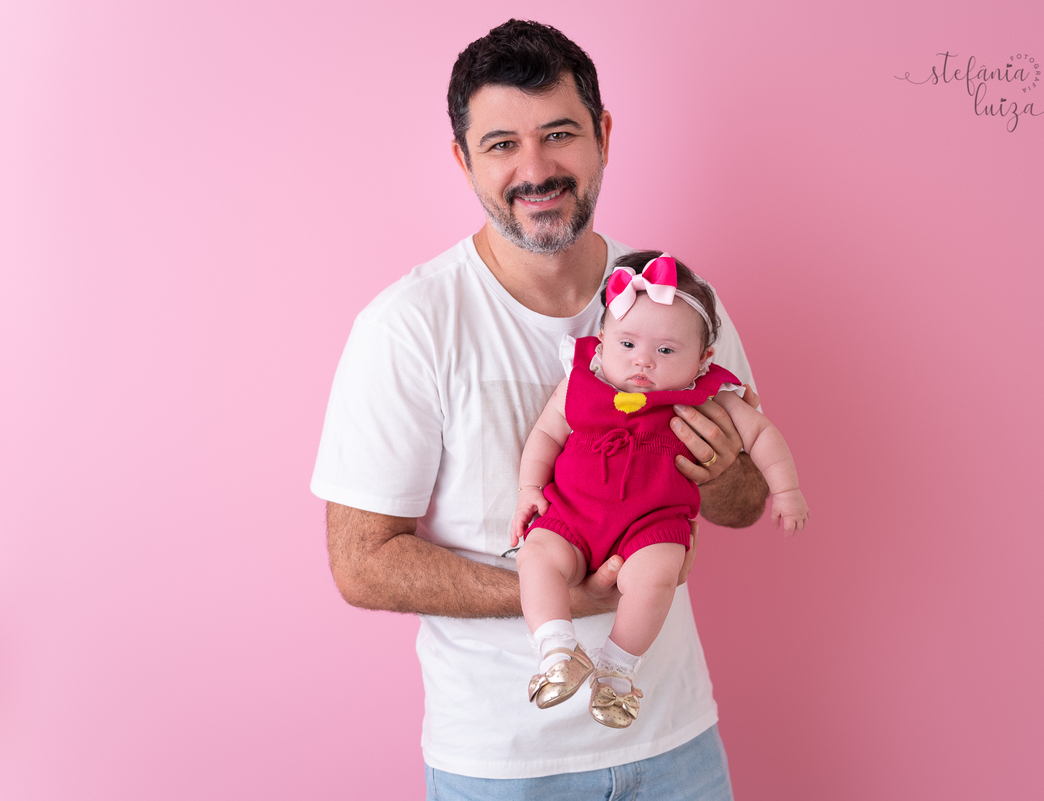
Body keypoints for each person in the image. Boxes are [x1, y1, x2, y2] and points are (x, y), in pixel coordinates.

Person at [311, 19, 770, 799]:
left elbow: (746, 502)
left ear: (603, 137)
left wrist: (722, 467)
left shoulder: (681, 307)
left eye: (559, 134)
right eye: (501, 145)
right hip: (502, 765)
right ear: (464, 161)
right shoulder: (409, 326)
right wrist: (557, 595)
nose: (535, 169)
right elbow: (362, 563)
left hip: (676, 743)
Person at [512, 251, 808, 730]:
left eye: (667, 351)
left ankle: (617, 669)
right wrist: (530, 487)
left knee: (654, 579)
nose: (643, 360)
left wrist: (786, 490)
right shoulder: (581, 383)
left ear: (703, 361)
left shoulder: (706, 396)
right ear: (602, 341)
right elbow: (545, 434)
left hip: (650, 525)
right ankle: (557, 650)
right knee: (536, 557)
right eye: (627, 343)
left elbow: (761, 434)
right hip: (572, 515)